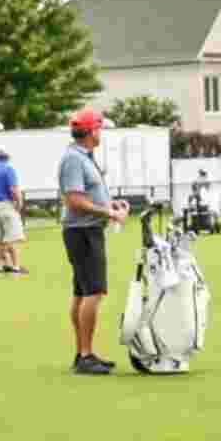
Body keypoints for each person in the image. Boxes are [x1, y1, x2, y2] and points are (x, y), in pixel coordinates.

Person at [58, 108, 129, 375]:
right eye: (99, 128)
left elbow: (87, 195)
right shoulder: (74, 160)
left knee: (82, 292)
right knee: (93, 293)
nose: (101, 133)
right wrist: (108, 213)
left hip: (85, 230)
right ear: (90, 132)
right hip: (83, 231)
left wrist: (110, 203)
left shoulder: (83, 157)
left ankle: (83, 353)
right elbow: (74, 199)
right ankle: (86, 356)